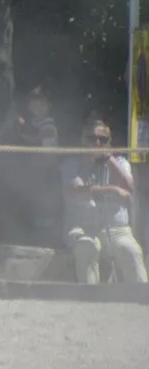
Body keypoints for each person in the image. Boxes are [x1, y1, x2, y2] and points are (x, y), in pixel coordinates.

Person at [60, 119, 145, 284]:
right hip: (82, 227)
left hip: (116, 229)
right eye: (92, 139)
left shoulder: (120, 163)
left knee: (131, 251)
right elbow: (76, 193)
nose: (97, 143)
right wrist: (112, 190)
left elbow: (130, 190)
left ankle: (142, 302)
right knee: (87, 248)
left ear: (109, 143)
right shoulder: (71, 164)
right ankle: (91, 301)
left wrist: (109, 160)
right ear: (82, 141)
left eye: (102, 139)